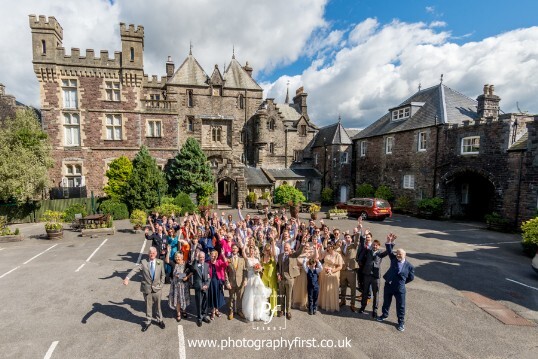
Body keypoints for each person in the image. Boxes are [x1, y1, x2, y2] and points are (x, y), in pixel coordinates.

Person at [376, 233, 415, 332]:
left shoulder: (410, 266)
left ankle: (401, 322)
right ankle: (384, 315)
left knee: (401, 306)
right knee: (386, 302)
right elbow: (389, 251)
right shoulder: (393, 259)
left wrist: (402, 283)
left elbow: (411, 278)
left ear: (405, 255)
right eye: (397, 253)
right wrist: (389, 241)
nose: (398, 255)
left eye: (400, 254)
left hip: (400, 289)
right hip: (389, 285)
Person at [123, 246, 166, 332]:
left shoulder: (160, 262)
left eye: (153, 253)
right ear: (148, 254)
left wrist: (161, 285)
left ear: (156, 254)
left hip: (157, 289)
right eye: (150, 253)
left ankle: (160, 320)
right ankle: (148, 321)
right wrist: (127, 278)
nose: (152, 254)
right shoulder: (144, 262)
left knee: (158, 306)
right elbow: (135, 270)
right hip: (147, 289)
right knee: (148, 306)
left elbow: (163, 275)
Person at [240, 239, 272, 322]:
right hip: (251, 278)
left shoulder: (257, 259)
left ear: (255, 252)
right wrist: (245, 244)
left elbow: (261, 268)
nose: (252, 252)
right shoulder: (247, 259)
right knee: (250, 297)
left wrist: (259, 269)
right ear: (249, 252)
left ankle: (258, 313)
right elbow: (243, 252)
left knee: (258, 297)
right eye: (250, 251)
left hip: (257, 278)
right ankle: (250, 314)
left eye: (253, 251)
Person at [358, 238, 390, 318]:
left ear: (379, 246)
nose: (375, 246)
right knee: (365, 292)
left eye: (376, 245)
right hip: (367, 274)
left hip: (375, 276)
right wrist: (363, 236)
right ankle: (363, 306)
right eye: (373, 245)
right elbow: (362, 245)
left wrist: (389, 242)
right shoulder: (368, 251)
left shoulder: (380, 253)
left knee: (376, 294)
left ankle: (374, 310)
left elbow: (388, 251)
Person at [276, 239, 304, 319]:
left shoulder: (292, 255)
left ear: (290, 248)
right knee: (281, 294)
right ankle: (282, 309)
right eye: (285, 247)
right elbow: (277, 266)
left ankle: (288, 311)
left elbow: (298, 253)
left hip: (290, 278)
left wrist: (302, 243)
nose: (286, 248)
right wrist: (278, 274)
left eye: (287, 247)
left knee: (289, 295)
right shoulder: (280, 255)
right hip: (281, 278)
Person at [185, 251, 211, 327]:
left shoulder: (207, 265)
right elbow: (192, 267)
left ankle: (204, 316)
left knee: (205, 303)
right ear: (198, 258)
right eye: (200, 257)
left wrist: (207, 285)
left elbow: (209, 276)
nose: (202, 259)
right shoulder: (196, 265)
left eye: (203, 257)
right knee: (199, 303)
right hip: (198, 287)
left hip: (206, 287)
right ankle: (199, 318)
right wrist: (195, 259)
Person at [166, 250, 190, 321]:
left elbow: (192, 271)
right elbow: (167, 261)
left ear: (182, 257)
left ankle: (184, 310)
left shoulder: (186, 264)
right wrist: (168, 252)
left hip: (184, 286)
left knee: (184, 298)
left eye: (178, 257)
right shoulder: (174, 264)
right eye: (176, 257)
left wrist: (185, 276)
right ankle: (178, 313)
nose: (177, 258)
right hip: (175, 286)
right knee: (178, 300)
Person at [318, 243, 343, 312]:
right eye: (328, 246)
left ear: (333, 247)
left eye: (331, 246)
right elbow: (320, 258)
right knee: (323, 287)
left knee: (330, 287)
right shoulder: (326, 252)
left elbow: (340, 266)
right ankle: (322, 303)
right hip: (324, 271)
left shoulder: (338, 255)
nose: (329, 248)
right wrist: (320, 249)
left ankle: (330, 305)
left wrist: (332, 270)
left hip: (333, 271)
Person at [339, 231, 360, 312]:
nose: (347, 239)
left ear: (351, 239)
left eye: (349, 237)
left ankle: (352, 304)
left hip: (351, 270)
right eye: (346, 237)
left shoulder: (353, 246)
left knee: (353, 288)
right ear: (344, 239)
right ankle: (343, 301)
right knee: (343, 287)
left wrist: (358, 231)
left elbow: (357, 240)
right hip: (343, 270)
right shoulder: (342, 246)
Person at [225, 243, 247, 320]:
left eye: (235, 248)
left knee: (240, 297)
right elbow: (225, 272)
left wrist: (245, 280)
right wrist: (227, 282)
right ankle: (231, 311)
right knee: (231, 298)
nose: (234, 249)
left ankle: (239, 311)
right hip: (231, 282)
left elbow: (245, 271)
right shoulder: (228, 259)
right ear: (231, 249)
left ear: (238, 250)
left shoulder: (242, 259)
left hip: (240, 282)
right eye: (233, 248)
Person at [207, 249, 228, 319]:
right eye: (212, 256)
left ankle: (217, 310)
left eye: (214, 256)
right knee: (213, 296)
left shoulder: (219, 262)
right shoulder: (208, 263)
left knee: (218, 296)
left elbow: (226, 264)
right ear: (210, 256)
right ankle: (213, 311)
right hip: (211, 282)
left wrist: (223, 255)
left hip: (218, 281)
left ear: (216, 256)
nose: (213, 257)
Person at [292, 241, 312, 310]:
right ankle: (296, 302)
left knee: (304, 288)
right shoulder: (299, 254)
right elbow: (294, 262)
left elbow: (311, 264)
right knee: (297, 287)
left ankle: (303, 304)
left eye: (307, 246)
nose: (306, 247)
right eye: (305, 246)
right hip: (298, 273)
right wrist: (297, 267)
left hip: (305, 273)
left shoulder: (310, 255)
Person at [261, 240, 278, 311]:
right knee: (264, 294)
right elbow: (260, 267)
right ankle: (264, 309)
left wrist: (273, 242)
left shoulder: (273, 257)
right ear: (264, 250)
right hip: (264, 278)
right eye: (266, 250)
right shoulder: (262, 258)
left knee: (273, 293)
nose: (267, 251)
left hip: (272, 277)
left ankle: (273, 310)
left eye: (268, 250)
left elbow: (274, 251)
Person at [304, 246, 323, 315]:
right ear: (309, 264)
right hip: (310, 287)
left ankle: (315, 308)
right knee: (310, 298)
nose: (312, 266)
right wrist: (305, 259)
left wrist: (318, 262)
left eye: (313, 264)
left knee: (315, 297)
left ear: (315, 264)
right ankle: (310, 309)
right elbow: (304, 266)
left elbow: (321, 268)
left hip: (316, 286)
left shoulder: (316, 270)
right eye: (311, 264)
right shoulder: (307, 270)